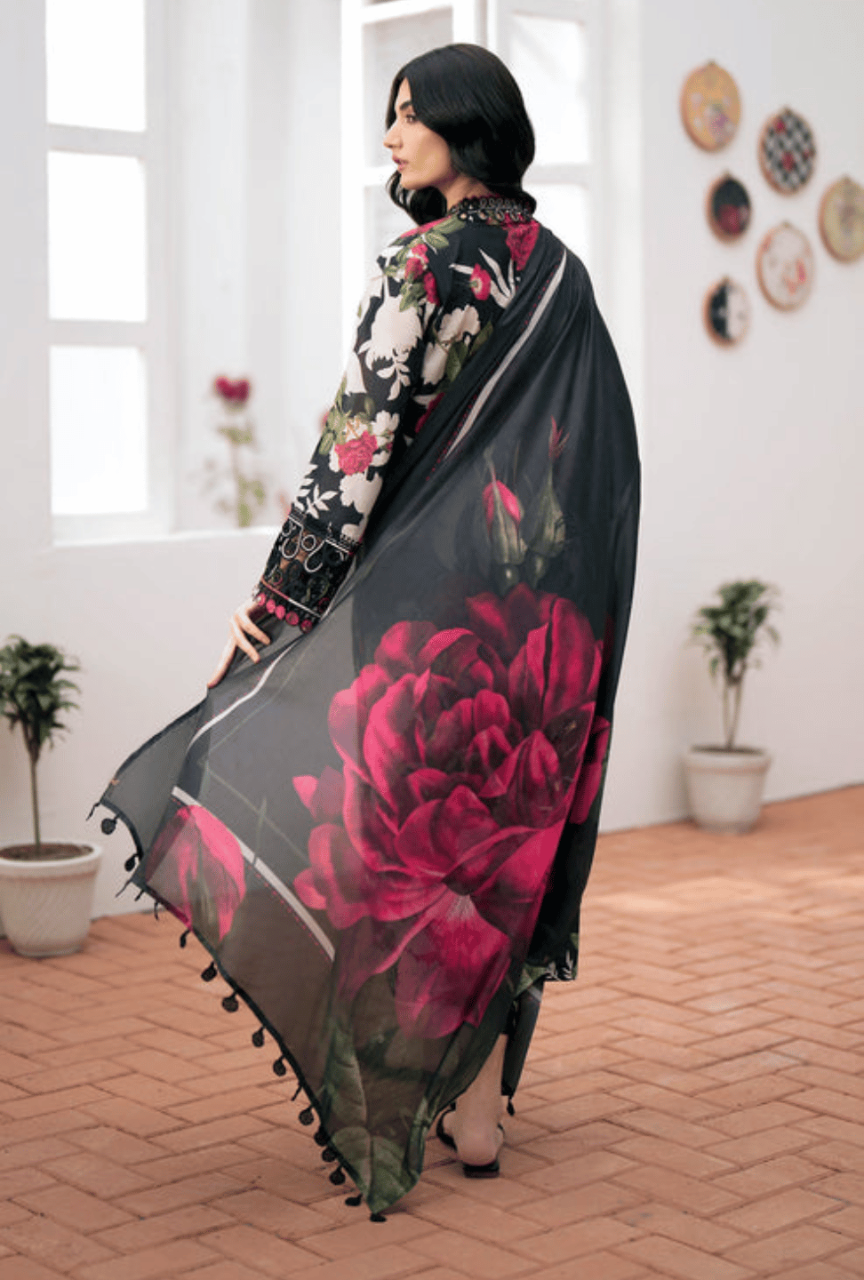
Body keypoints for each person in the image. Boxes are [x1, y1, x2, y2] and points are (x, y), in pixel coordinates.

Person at [98, 43, 639, 1217]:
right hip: (543, 618)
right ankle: (480, 1108)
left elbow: (352, 456)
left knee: (403, 847)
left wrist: (279, 612)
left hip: (425, 612)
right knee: (501, 849)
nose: (390, 139)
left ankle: (403, 1094)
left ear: (466, 126)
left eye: (408, 117)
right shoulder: (566, 275)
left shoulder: (423, 264)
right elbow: (602, 464)